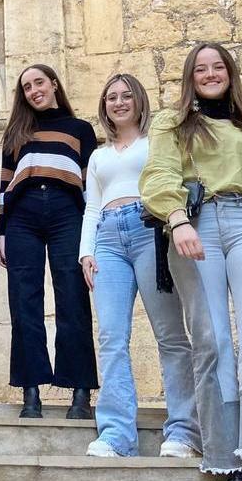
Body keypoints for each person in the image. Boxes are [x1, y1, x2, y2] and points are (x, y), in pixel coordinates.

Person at [139, 43, 242, 481]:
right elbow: (159, 173)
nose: (211, 74)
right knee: (212, 342)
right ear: (191, 77)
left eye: (219, 67)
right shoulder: (172, 122)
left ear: (230, 74)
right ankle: (233, 469)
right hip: (197, 220)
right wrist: (177, 218)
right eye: (201, 68)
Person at [79, 73, 200, 457]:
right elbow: (92, 207)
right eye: (111, 97)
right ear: (105, 106)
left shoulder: (156, 144)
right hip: (108, 239)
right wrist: (87, 251)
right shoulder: (98, 156)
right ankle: (116, 434)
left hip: (151, 230)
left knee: (170, 334)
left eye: (126, 95)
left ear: (139, 100)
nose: (118, 102)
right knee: (111, 337)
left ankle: (183, 430)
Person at [0, 64, 98, 420]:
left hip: (67, 213)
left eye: (39, 82)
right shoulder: (16, 132)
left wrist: (90, 237)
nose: (34, 90)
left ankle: (81, 393)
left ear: (54, 84)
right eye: (27, 87)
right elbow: (5, 186)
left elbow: (90, 187)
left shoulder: (80, 130)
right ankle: (31, 392)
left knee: (72, 297)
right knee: (24, 301)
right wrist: (2, 232)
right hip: (22, 216)